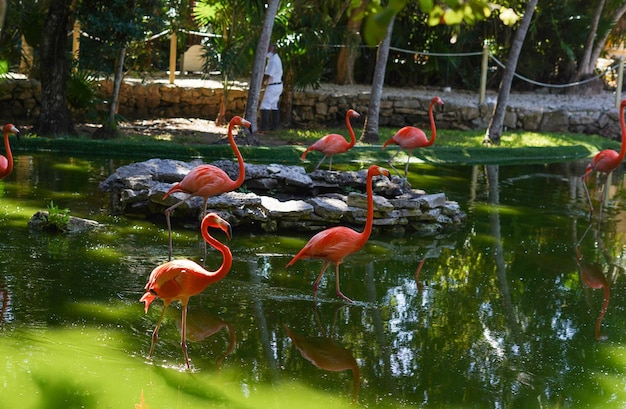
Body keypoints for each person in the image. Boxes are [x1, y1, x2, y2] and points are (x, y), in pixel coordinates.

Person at [260, 44, 283, 132]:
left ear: (272, 50)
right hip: (277, 85)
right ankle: (274, 126)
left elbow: (268, 75)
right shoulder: (275, 59)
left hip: (273, 85)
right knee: (274, 106)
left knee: (265, 105)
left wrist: (260, 83)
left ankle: (263, 127)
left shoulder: (273, 61)